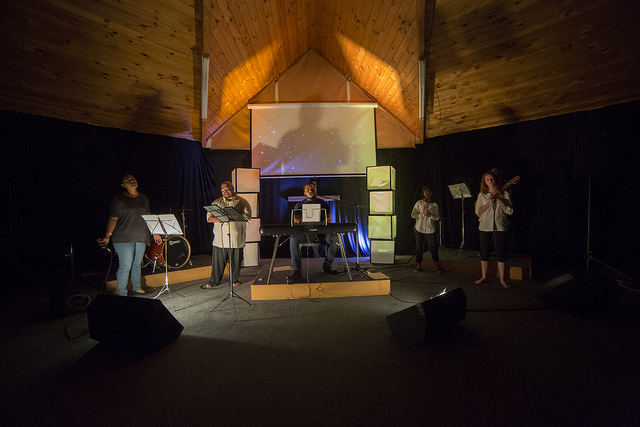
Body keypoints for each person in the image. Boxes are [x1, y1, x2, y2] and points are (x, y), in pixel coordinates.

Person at [101, 174, 162, 297]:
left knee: (137, 263)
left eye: (132, 178)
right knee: (125, 264)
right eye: (127, 180)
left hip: (140, 235)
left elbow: (148, 216)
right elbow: (113, 219)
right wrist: (107, 236)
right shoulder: (119, 199)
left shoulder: (144, 198)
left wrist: (154, 232)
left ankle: (137, 287)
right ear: (123, 185)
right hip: (123, 237)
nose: (131, 180)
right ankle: (122, 293)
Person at [287, 182, 341, 282]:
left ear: (315, 191)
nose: (310, 191)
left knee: (335, 238)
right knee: (293, 239)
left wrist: (319, 223)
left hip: (321, 234)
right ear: (304, 193)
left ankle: (327, 265)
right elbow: (296, 220)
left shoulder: (323, 203)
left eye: (312, 189)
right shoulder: (299, 205)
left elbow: (329, 219)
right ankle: (296, 270)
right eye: (308, 189)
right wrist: (306, 220)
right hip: (306, 234)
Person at [202, 181, 252, 289]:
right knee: (218, 263)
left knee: (236, 261)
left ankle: (234, 280)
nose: (225, 191)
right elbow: (209, 217)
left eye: (227, 188)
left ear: (232, 188)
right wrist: (217, 219)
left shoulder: (242, 202)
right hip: (220, 238)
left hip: (236, 237)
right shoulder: (216, 202)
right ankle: (214, 281)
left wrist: (234, 215)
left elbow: (247, 217)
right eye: (222, 190)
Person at [474, 171, 514, 288]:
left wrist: (500, 202)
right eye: (487, 179)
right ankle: (484, 277)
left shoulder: (504, 193)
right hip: (484, 227)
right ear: (484, 182)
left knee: (501, 253)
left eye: (491, 178)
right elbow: (478, 211)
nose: (490, 181)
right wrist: (488, 204)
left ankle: (502, 280)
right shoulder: (482, 195)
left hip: (500, 227)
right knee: (484, 252)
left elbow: (510, 211)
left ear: (495, 179)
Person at [411, 186, 443, 273]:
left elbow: (437, 217)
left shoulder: (435, 205)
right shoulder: (419, 203)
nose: (428, 193)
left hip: (430, 229)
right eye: (426, 191)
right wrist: (422, 214)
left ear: (432, 193)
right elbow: (413, 215)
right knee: (419, 248)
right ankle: (418, 265)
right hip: (419, 228)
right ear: (423, 193)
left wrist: (430, 215)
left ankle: (437, 265)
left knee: (433, 247)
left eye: (429, 191)